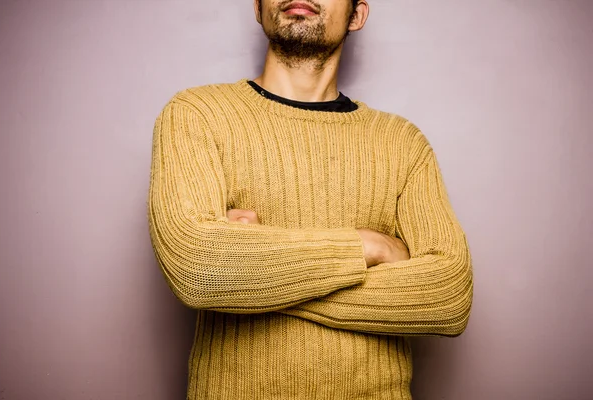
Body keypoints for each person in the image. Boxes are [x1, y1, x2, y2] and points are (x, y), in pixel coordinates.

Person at [147, 0, 473, 398]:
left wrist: (254, 276)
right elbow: (197, 268)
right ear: (257, 7)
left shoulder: (402, 143)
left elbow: (449, 296)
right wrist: (369, 245)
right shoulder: (197, 114)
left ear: (357, 15)